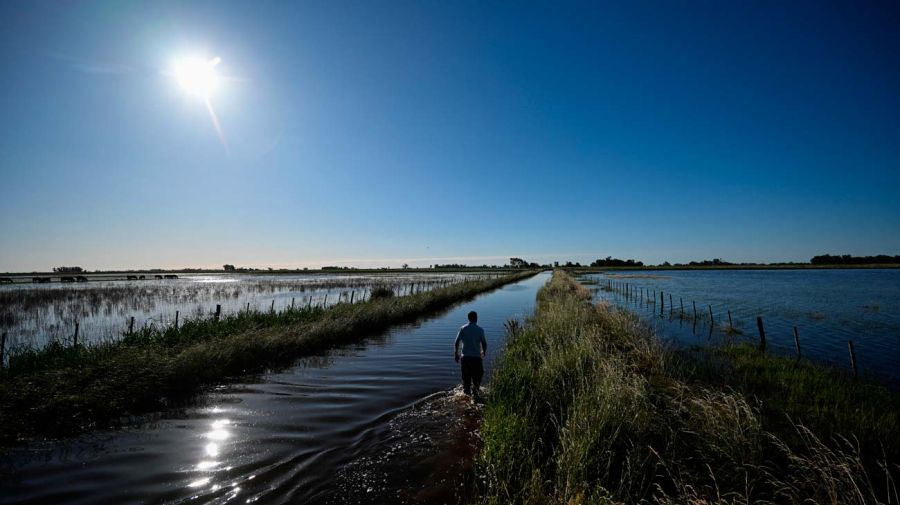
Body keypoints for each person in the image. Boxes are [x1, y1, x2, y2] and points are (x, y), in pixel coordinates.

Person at [454, 310, 487, 396]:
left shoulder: (463, 328)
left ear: (468, 318)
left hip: (465, 358)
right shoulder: (480, 330)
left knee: (466, 379)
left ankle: (466, 395)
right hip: (476, 357)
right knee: (478, 375)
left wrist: (456, 354)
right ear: (476, 318)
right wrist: (484, 351)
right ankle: (475, 394)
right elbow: (484, 343)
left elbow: (457, 342)